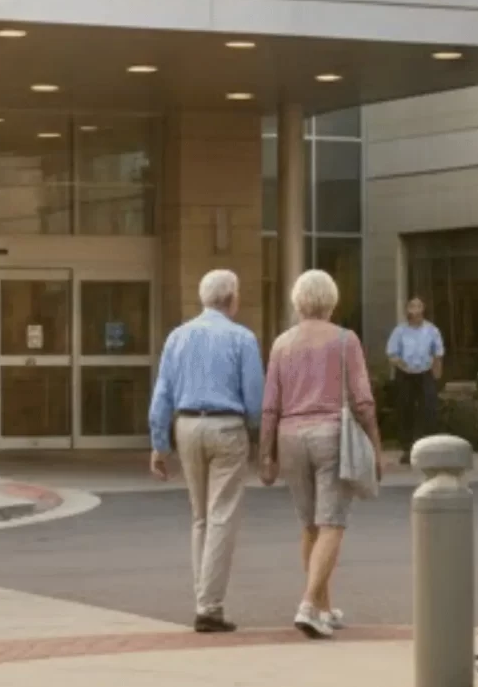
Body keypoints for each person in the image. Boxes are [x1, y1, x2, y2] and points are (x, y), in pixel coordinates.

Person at [262, 270, 381, 639]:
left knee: (310, 525)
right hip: (331, 434)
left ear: (298, 301)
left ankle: (325, 609)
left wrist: (266, 454)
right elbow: (362, 400)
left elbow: (270, 405)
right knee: (333, 523)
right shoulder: (346, 340)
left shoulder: (282, 344)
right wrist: (376, 446)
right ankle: (309, 605)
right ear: (331, 301)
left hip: (290, 436)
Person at [147, 269, 265, 633]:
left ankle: (203, 597)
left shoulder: (177, 337)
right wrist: (261, 438)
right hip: (226, 425)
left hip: (186, 425)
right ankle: (209, 606)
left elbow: (162, 391)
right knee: (222, 515)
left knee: (199, 516)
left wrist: (158, 443)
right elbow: (255, 399)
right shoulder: (242, 338)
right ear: (231, 298)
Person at [385, 296, 446, 453]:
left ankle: (428, 446)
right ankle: (407, 448)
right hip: (406, 374)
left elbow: (438, 354)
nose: (415, 308)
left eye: (418, 305)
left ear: (423, 309)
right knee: (405, 409)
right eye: (412, 305)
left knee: (429, 409)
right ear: (407, 310)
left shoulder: (432, 330)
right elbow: (391, 353)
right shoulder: (400, 331)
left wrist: (437, 377)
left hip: (425, 373)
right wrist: (400, 363)